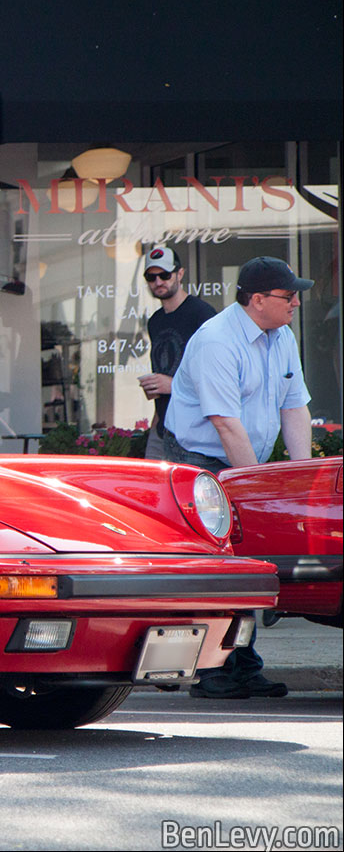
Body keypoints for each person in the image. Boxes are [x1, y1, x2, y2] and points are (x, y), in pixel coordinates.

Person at [165, 256, 314, 699]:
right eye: (288, 297)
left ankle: (243, 668)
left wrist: (299, 478)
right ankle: (212, 672)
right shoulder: (216, 341)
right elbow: (225, 424)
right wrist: (258, 488)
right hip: (200, 461)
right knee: (219, 567)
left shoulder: (281, 334)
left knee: (243, 564)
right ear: (256, 300)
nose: (295, 305)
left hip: (244, 460)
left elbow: (295, 408)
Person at [137, 246, 216, 460]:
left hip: (196, 432)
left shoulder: (202, 315)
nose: (158, 282)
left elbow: (218, 378)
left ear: (180, 274)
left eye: (164, 275)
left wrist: (171, 385)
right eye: (151, 277)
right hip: (163, 428)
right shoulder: (155, 321)